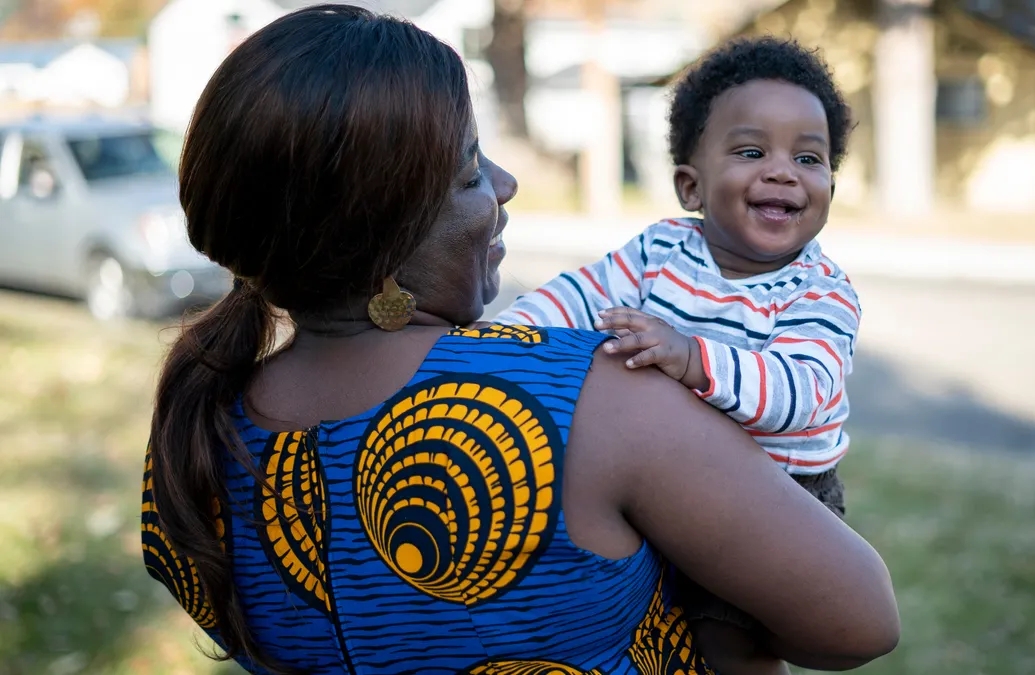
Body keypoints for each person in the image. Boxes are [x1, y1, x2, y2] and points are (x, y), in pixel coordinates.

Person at [140, 6, 899, 675]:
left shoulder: (198, 433)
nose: (504, 184)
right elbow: (858, 622)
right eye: (470, 171)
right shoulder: (587, 399)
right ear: (388, 228)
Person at [490, 38, 860, 668]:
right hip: (669, 480)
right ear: (691, 185)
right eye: (751, 152)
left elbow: (799, 394)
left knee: (728, 641)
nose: (782, 171)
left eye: (809, 157)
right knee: (655, 625)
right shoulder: (660, 250)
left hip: (777, 492)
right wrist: (496, 342)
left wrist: (693, 358)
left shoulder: (819, 290)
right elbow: (579, 299)